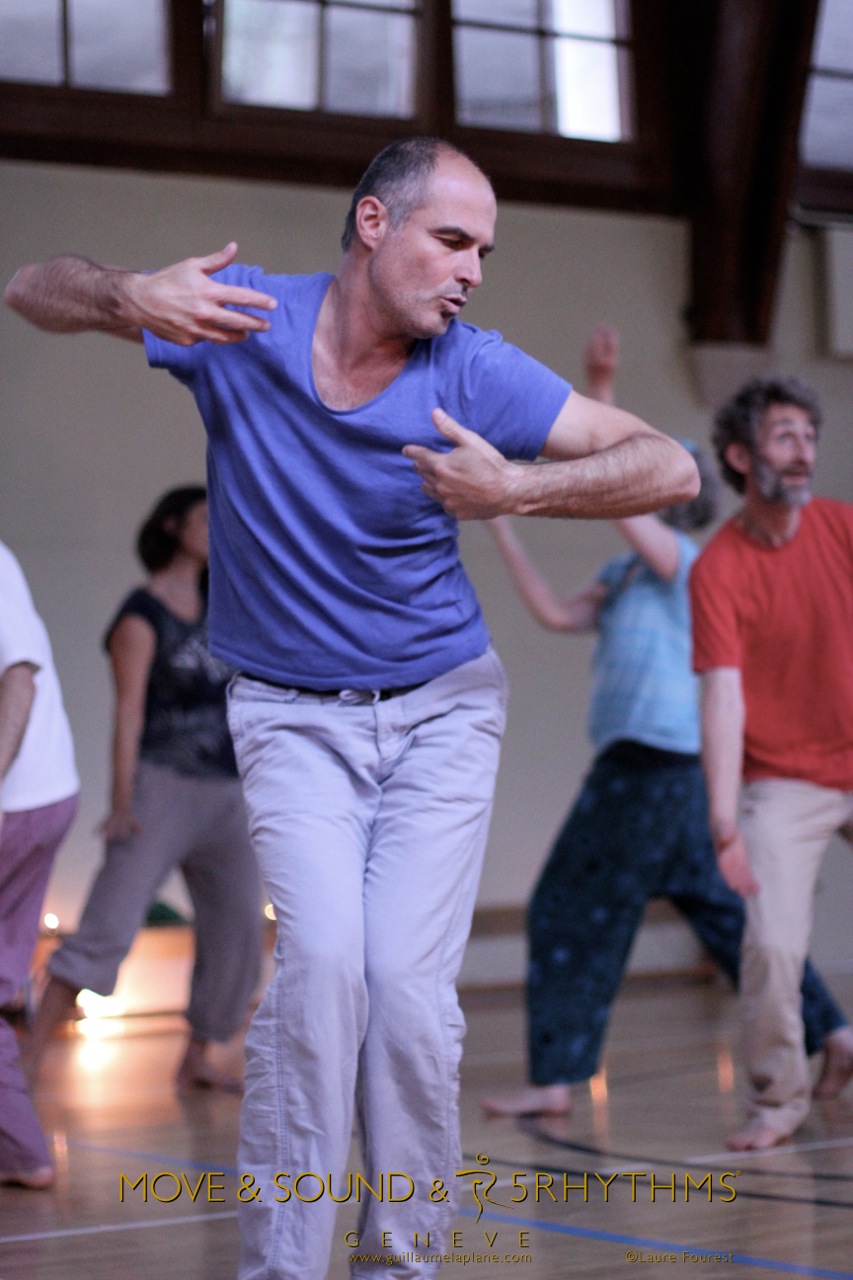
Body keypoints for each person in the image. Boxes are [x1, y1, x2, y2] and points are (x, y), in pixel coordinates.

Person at [4, 138, 698, 1278]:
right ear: (374, 223)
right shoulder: (243, 322)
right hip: (290, 716)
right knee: (322, 967)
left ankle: (399, 1263)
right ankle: (283, 1265)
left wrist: (518, 486)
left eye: (484, 251)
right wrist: (131, 295)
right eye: (452, 240)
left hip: (441, 711)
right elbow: (33, 288)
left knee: (409, 997)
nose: (472, 270)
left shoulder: (472, 368)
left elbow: (669, 466)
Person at [480, 329, 853, 1119]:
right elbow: (552, 613)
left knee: (566, 904)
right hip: (663, 771)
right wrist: (499, 524)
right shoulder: (624, 575)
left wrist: (600, 397)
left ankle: (553, 1077)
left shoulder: (681, 562)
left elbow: (627, 509)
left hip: (653, 767)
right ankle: (833, 1030)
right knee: (732, 916)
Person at [25, 487, 262, 1093]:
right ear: (173, 526)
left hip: (228, 792)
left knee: (238, 929)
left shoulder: (224, 606)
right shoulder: (140, 614)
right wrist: (122, 802)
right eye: (205, 517)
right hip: (161, 788)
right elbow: (127, 712)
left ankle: (198, 1056)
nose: (216, 527)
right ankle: (24, 1066)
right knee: (106, 927)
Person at [691, 375, 853, 1152]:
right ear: (739, 455)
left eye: (808, 436)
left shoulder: (841, 529)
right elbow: (722, 697)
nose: (802, 451)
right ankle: (778, 1096)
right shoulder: (717, 569)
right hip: (782, 779)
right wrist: (724, 818)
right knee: (769, 944)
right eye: (784, 436)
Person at [0, 540, 79, 1188]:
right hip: (42, 797)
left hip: (19, 804)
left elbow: (18, 679)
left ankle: (23, 1149)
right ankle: (21, 1150)